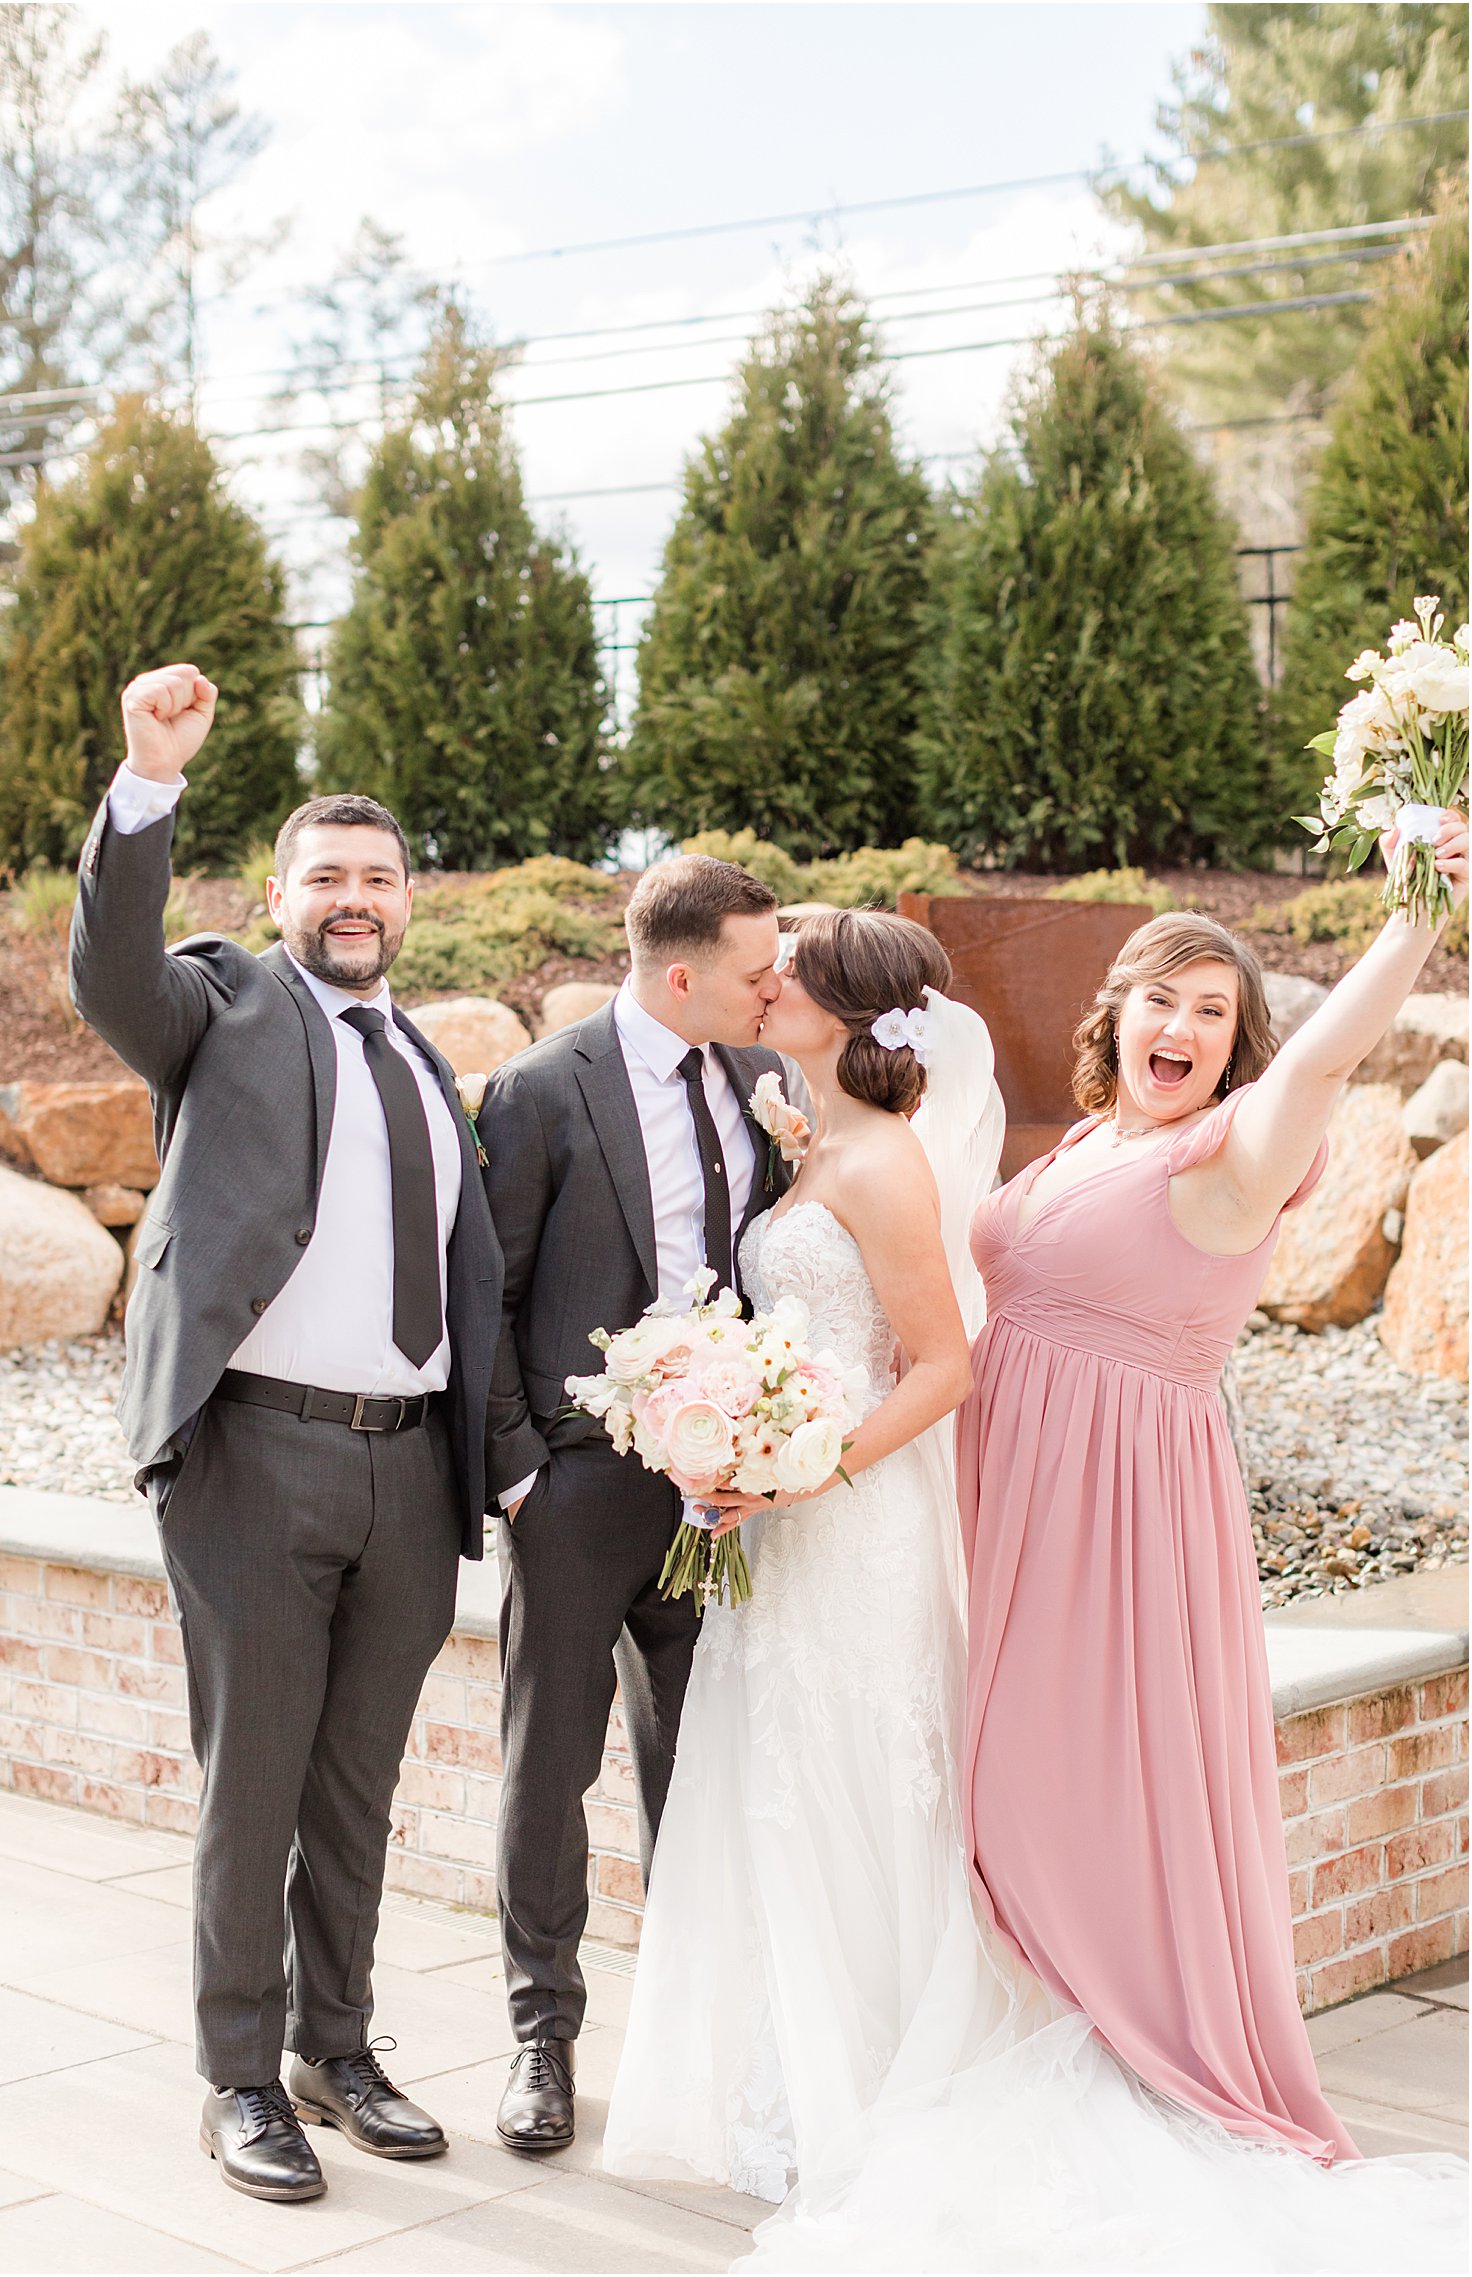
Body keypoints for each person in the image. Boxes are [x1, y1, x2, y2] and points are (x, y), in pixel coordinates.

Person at [732, 820, 1467, 2273]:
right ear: (1115, 1016)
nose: (1181, 1024)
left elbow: (1322, 1065)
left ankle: (1143, 2043)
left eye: (1212, 1008)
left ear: (1236, 1043)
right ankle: (1067, 2015)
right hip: (1012, 1494)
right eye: (1159, 997)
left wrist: (1422, 912)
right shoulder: (1088, 1140)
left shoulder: (1233, 1151)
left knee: (1062, 1789)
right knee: (999, 1773)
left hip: (1122, 1518)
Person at [70, 663, 503, 2204]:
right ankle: (238, 2074)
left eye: (379, 877)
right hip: (254, 1455)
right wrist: (146, 781)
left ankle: (337, 2042)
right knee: (251, 1782)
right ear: (279, 891)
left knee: (354, 1786)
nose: (355, 897)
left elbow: (466, 1281)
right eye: (326, 874)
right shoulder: (228, 1000)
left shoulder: (431, 1066)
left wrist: (496, 1450)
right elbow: (113, 974)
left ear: (409, 901)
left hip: (408, 1467)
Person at [603, 909, 1007, 2200]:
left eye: (794, 972)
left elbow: (944, 1365)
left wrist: (806, 1467)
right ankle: (784, 2077)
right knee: (773, 1783)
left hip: (854, 1526)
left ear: (852, 1008)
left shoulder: (886, 1161)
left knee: (853, 1782)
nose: (768, 984)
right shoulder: (815, 1134)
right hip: (777, 1524)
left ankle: (878, 2085)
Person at [476, 854, 790, 2153]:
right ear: (681, 973)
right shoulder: (544, 1089)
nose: (777, 988)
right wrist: (518, 1470)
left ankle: (686, 2036)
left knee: (697, 1760)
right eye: (755, 969)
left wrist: (769, 1443)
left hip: (721, 1486)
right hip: (578, 1477)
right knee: (548, 1763)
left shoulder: (769, 1084)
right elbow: (484, 1293)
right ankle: (541, 2035)